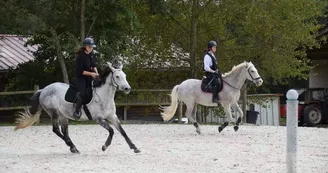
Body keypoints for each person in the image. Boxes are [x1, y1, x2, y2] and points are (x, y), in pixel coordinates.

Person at [73, 37, 99, 119]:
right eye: (89, 47)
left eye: (92, 47)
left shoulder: (91, 55)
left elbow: (93, 65)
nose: (91, 48)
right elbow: (81, 71)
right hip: (81, 77)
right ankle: (76, 110)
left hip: (89, 76)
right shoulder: (80, 57)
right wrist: (91, 73)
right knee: (83, 93)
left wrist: (97, 73)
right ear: (85, 46)